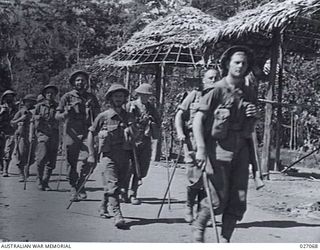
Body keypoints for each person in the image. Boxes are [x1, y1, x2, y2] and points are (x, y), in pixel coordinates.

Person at [192, 46, 258, 243]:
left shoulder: (249, 92)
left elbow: (251, 125)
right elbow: (198, 120)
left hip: (241, 151)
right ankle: (199, 226)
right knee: (217, 200)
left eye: (244, 63)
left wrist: (253, 115)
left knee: (238, 200)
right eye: (237, 62)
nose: (240, 66)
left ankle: (226, 239)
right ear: (228, 64)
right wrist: (201, 149)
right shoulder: (217, 90)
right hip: (218, 151)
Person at [175, 69, 219, 223]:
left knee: (210, 179)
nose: (213, 80)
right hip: (193, 143)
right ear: (204, 80)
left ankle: (201, 212)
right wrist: (180, 132)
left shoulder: (221, 97)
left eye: (216, 78)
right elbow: (179, 115)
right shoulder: (194, 95)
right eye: (210, 78)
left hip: (213, 143)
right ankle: (189, 206)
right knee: (196, 179)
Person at [87, 84, 132, 229]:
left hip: (124, 155)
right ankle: (118, 215)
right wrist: (91, 154)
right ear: (110, 98)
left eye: (121, 96)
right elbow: (91, 133)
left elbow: (135, 135)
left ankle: (103, 206)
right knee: (112, 185)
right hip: (108, 156)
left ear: (125, 98)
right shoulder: (103, 116)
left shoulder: (129, 116)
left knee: (117, 186)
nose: (118, 99)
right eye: (116, 96)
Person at [55, 70, 100, 201]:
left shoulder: (92, 97)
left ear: (86, 82)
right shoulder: (67, 97)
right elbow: (57, 116)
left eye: (83, 80)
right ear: (73, 82)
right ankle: (73, 187)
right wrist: (66, 113)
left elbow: (98, 115)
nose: (80, 82)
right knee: (71, 161)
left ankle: (81, 182)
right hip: (71, 133)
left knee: (91, 158)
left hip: (87, 132)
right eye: (77, 80)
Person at [126, 83, 160, 205]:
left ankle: (133, 192)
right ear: (138, 94)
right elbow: (124, 120)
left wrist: (151, 121)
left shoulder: (151, 107)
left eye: (147, 95)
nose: (145, 97)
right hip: (130, 139)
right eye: (143, 95)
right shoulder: (131, 105)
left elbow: (158, 121)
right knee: (129, 166)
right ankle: (124, 191)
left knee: (140, 167)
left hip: (145, 139)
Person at [31, 84, 59, 191]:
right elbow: (32, 118)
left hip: (55, 135)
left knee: (52, 161)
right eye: (48, 92)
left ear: (55, 94)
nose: (50, 94)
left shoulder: (58, 106)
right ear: (44, 94)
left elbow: (63, 117)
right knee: (41, 158)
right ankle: (39, 179)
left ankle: (45, 181)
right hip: (43, 134)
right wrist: (36, 118)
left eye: (52, 93)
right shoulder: (39, 106)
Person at [11, 94, 37, 182]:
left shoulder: (36, 111)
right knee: (21, 154)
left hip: (33, 135)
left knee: (32, 156)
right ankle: (21, 173)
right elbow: (12, 122)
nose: (29, 103)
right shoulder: (21, 111)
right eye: (27, 101)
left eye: (31, 101)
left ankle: (27, 168)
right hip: (22, 135)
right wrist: (21, 119)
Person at [0, 90, 18, 177]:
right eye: (7, 96)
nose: (9, 98)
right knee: (1, 151)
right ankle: (2, 166)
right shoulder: (1, 107)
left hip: (11, 132)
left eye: (11, 96)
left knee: (8, 151)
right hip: (1, 132)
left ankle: (5, 170)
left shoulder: (16, 108)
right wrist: (1, 112)